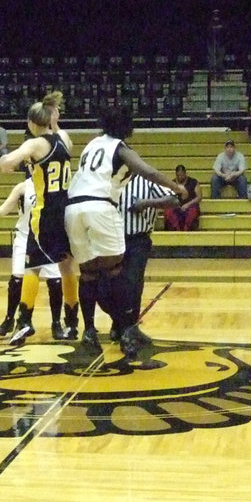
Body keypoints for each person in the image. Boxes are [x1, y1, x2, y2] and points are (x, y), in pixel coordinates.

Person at [64, 104, 184, 356]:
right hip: (99, 206)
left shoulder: (91, 144)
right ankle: (127, 330)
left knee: (87, 274)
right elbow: (146, 171)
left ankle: (89, 331)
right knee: (117, 271)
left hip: (73, 207)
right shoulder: (119, 148)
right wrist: (177, 187)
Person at [0, 93, 81, 346]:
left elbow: (8, 162)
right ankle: (72, 323)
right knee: (66, 266)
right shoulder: (64, 139)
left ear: (32, 122)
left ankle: (24, 323)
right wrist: (55, 121)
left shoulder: (34, 144)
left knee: (33, 266)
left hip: (44, 213)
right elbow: (60, 132)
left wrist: (1, 161)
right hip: (66, 209)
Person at [0, 176, 65, 338]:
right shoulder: (23, 187)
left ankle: (56, 323)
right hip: (25, 238)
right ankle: (10, 319)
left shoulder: (55, 185)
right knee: (17, 280)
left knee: (55, 281)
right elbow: (3, 210)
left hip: (47, 240)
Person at [116, 171, 179, 340]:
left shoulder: (147, 181)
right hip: (112, 240)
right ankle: (118, 324)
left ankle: (130, 326)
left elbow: (173, 199)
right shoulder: (109, 179)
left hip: (138, 239)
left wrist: (146, 203)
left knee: (134, 282)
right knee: (113, 283)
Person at [162, 164, 200, 231]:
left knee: (193, 211)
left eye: (182, 175)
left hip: (190, 205)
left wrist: (188, 204)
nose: (180, 177)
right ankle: (176, 230)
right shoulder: (172, 183)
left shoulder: (193, 182)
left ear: (185, 173)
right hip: (176, 206)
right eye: (178, 175)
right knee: (168, 211)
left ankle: (186, 230)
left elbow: (199, 197)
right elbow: (166, 197)